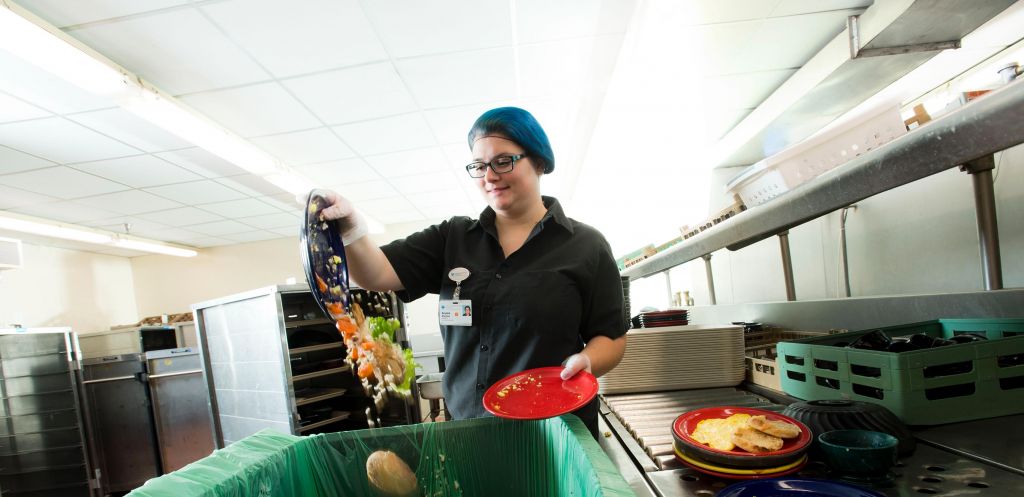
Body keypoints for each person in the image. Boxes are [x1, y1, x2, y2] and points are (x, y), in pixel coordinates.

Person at [320, 107, 627, 438]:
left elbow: (610, 336)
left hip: (556, 433)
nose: (489, 176)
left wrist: (588, 360)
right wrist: (351, 233)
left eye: (503, 161)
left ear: (538, 162)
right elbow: (376, 273)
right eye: (479, 166)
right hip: (468, 434)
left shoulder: (585, 246)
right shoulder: (452, 239)